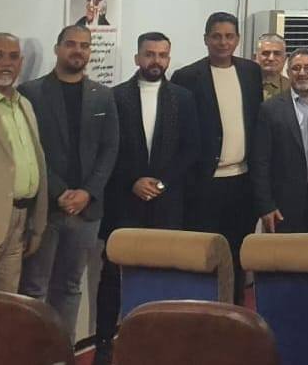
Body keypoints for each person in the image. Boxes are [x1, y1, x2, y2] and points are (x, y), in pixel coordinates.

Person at [95, 32, 199, 365]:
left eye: (162, 55)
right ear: (137, 58)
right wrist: (133, 182)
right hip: (125, 202)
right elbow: (109, 149)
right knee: (113, 277)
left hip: (167, 203)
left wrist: (162, 184)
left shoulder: (183, 98)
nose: (156, 61)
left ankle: (160, 344)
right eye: (150, 54)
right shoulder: (115, 97)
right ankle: (104, 344)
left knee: (164, 274)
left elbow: (191, 149)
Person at [17, 25, 118, 341]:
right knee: (34, 287)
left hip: (86, 211)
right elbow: (30, 149)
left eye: (85, 46)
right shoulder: (31, 93)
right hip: (46, 207)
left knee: (71, 287)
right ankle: (32, 352)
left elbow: (110, 149)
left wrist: (88, 192)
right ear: (57, 48)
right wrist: (60, 192)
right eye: (71, 44)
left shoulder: (103, 95)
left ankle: (62, 351)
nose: (78, 51)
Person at [170, 11, 263, 304]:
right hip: (204, 183)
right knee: (204, 254)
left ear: (238, 39)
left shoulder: (251, 72)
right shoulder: (186, 77)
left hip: (243, 182)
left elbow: (255, 122)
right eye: (217, 37)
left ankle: (234, 312)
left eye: (229, 36)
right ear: (206, 39)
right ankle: (203, 312)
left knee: (237, 255)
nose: (223, 42)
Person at [0, 33, 48, 292]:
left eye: (13, 57)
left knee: (5, 307)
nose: (6, 63)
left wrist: (35, 224)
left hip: (20, 224)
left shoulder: (24, 105)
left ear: (21, 63)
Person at [252, 48, 308, 234]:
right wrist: (266, 205)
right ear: (288, 72)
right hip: (285, 203)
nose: (302, 73)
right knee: (287, 252)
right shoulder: (270, 109)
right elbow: (260, 161)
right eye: (296, 68)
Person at [255, 33, 289, 101]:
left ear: (285, 59)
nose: (271, 58)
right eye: (266, 53)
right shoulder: (243, 84)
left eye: (277, 54)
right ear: (256, 57)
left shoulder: (292, 88)